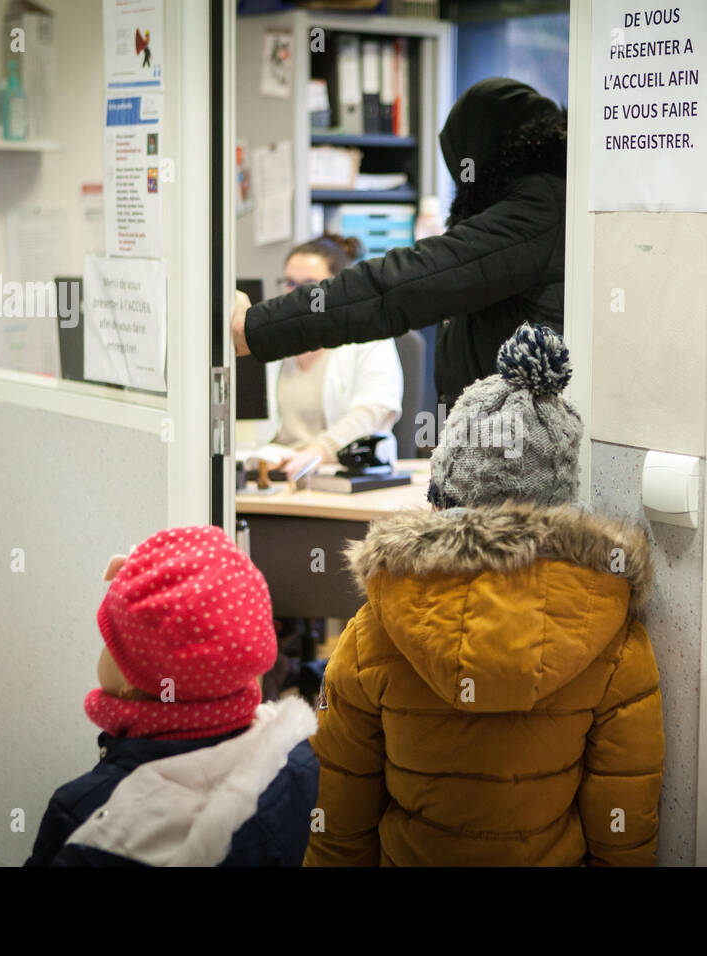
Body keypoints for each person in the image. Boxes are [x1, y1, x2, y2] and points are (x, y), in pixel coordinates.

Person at [304, 324, 665, 866]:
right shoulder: (612, 630)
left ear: (444, 491)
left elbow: (339, 817)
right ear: (561, 500)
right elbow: (623, 825)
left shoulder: (374, 628)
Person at [231, 77, 567, 413]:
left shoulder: (539, 209)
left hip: (521, 456)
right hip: (502, 450)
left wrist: (257, 327)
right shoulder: (549, 207)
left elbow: (395, 289)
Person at [24, 525, 319, 867]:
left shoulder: (85, 813)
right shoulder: (294, 762)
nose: (104, 649)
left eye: (110, 640)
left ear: (130, 685)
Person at [260, 234, 403, 478]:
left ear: (337, 288)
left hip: (342, 473)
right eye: (290, 283)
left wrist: (317, 452)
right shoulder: (273, 341)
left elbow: (373, 411)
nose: (298, 295)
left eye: (310, 285)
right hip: (279, 476)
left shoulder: (369, 336)